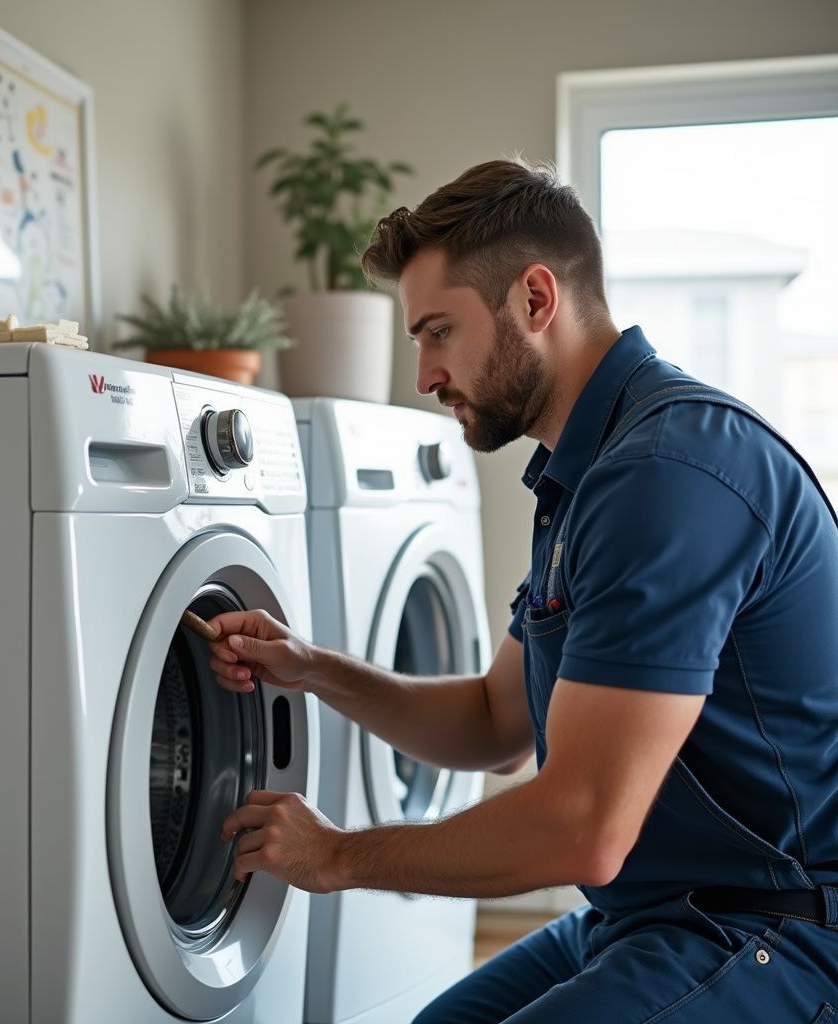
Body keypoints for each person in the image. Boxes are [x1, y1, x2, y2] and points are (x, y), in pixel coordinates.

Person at [208, 158, 838, 1022]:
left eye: (438, 332)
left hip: (776, 931)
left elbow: (584, 826)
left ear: (536, 300)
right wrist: (315, 668)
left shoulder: (666, 475)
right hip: (651, 914)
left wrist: (340, 857)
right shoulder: (585, 474)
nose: (425, 375)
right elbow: (497, 723)